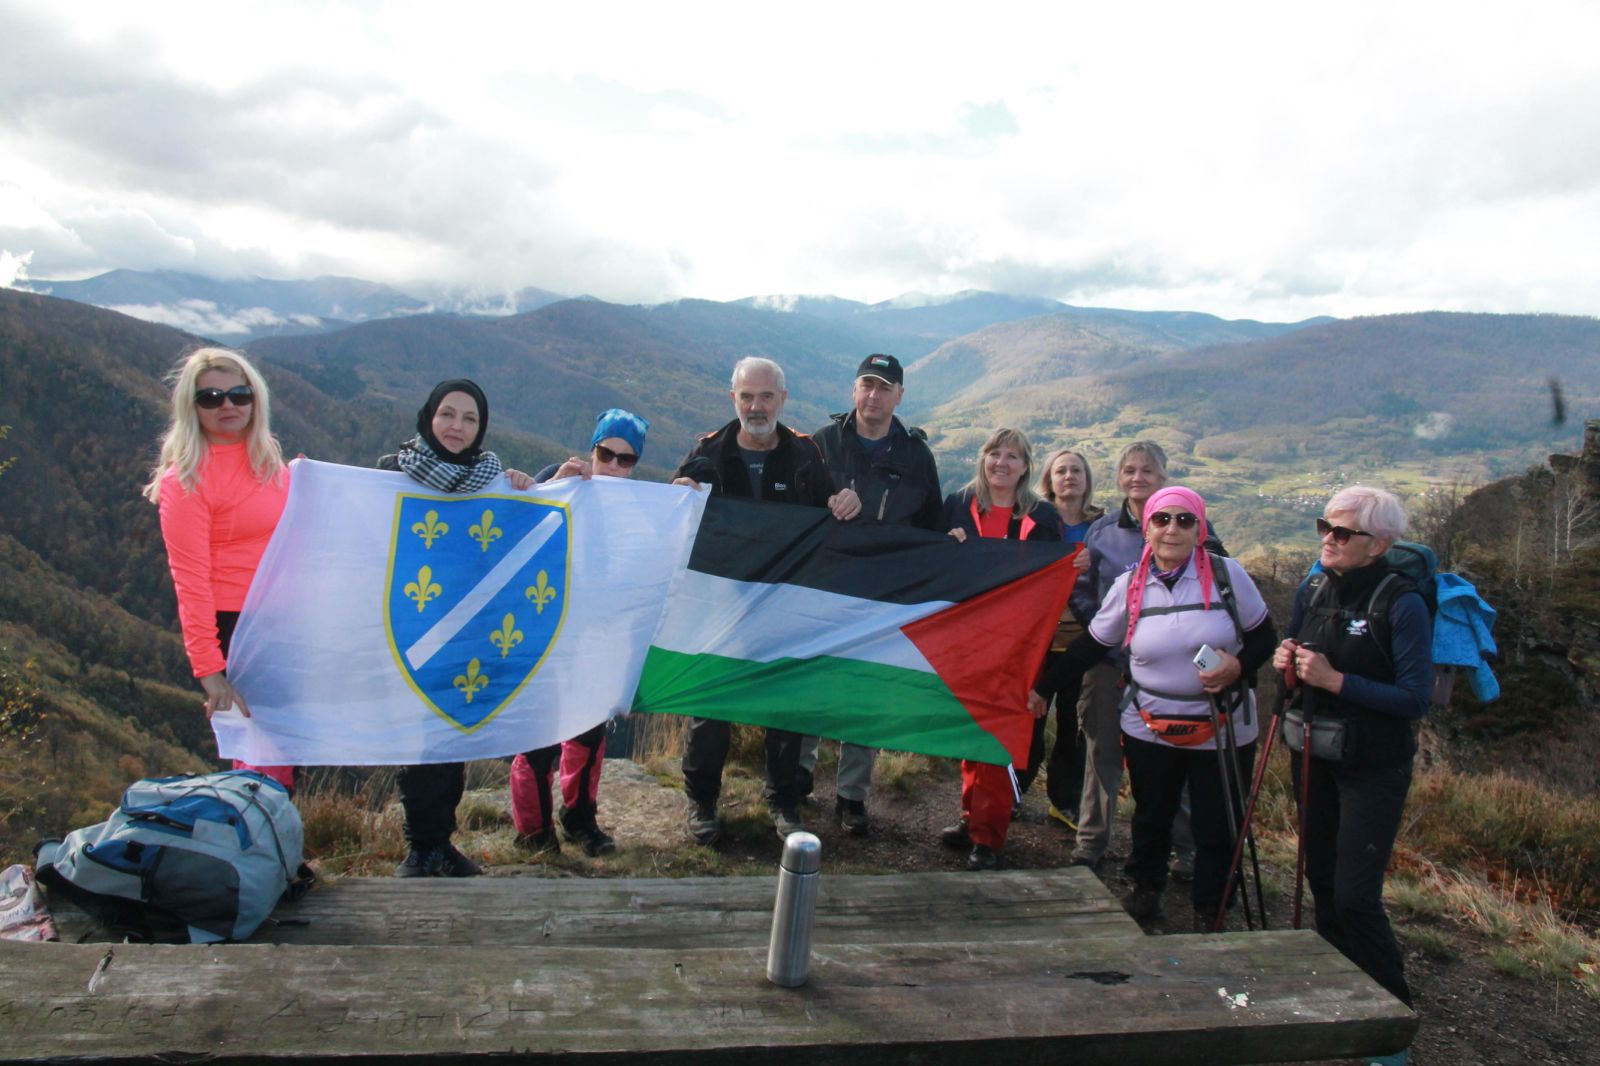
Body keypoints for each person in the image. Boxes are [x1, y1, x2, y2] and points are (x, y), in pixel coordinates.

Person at [1034, 486, 1276, 926]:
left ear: (1200, 530)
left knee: (1217, 821)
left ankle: (1211, 906)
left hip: (1222, 725)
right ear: (1146, 529)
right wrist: (1041, 689)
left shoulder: (1228, 576)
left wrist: (1237, 667)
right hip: (1150, 725)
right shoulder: (1131, 585)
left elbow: (1264, 636)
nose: (1172, 529)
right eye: (1162, 519)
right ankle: (1146, 890)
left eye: (1185, 520)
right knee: (1152, 814)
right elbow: (1092, 645)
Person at [672, 357, 859, 843]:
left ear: (783, 399)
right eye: (747, 396)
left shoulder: (804, 455)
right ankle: (702, 801)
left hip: (782, 605)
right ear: (733, 398)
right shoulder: (708, 452)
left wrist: (845, 501)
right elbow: (676, 517)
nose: (756, 406)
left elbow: (828, 507)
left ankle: (783, 801)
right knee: (711, 709)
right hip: (721, 606)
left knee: (785, 706)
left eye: (766, 396)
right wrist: (678, 493)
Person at [1273, 486, 1429, 1052]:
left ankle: (1392, 1025)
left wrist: (1336, 681)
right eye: (1325, 527)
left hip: (1373, 765)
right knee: (1322, 880)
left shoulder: (1403, 603)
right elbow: (1295, 674)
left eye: (1343, 532)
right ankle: (1344, 997)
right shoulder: (1312, 589)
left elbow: (1415, 698)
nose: (1329, 539)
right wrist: (1287, 667)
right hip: (1313, 752)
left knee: (1356, 896)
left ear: (1379, 544)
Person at [378, 378, 534, 878]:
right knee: (418, 743)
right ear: (429, 416)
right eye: (448, 414)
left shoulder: (489, 479)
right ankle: (418, 848)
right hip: (411, 629)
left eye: (470, 419)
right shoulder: (391, 475)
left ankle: (441, 843)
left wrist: (525, 486)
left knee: (452, 741)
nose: (456, 426)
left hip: (463, 632)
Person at [802, 353, 941, 835]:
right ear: (853, 389)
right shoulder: (822, 444)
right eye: (866, 384)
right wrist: (824, 503)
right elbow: (794, 508)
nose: (873, 395)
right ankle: (798, 780)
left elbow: (931, 527)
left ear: (899, 395)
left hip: (882, 595)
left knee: (865, 692)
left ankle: (852, 797)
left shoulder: (916, 456)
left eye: (884, 387)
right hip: (823, 587)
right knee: (811, 684)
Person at [144, 346, 294, 790]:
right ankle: (256, 828)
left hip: (281, 621)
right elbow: (189, 581)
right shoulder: (185, 480)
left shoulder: (268, 461)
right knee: (260, 752)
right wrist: (209, 670)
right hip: (235, 627)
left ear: (255, 399)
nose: (227, 405)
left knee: (284, 745)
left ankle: (272, 828)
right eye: (211, 398)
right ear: (191, 407)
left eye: (239, 394)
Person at [508, 408, 651, 857]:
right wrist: (551, 485)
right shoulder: (559, 481)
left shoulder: (638, 509)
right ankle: (533, 833)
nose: (613, 466)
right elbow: (518, 531)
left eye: (626, 459)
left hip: (596, 641)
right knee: (537, 739)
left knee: (587, 734)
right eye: (606, 454)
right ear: (592, 449)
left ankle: (579, 819)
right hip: (543, 638)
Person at [1069, 441, 1207, 878]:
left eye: (1147, 470)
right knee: (1101, 754)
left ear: (1163, 476)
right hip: (1109, 665)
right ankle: (1091, 844)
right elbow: (1082, 589)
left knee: (1173, 759)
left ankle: (1186, 849)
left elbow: (1214, 589)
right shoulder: (1102, 532)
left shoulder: (1189, 526)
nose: (1137, 478)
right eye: (1129, 470)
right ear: (1118, 477)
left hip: (1171, 672)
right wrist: (1106, 632)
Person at [937, 427, 1064, 871]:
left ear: (1026, 466)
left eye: (1013, 456)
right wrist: (946, 545)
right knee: (974, 729)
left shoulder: (1042, 516)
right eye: (995, 453)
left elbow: (1051, 583)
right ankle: (971, 816)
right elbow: (932, 565)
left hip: (1018, 644)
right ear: (983, 458)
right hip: (966, 639)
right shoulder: (957, 504)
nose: (1002, 463)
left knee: (1000, 735)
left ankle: (988, 837)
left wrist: (1075, 561)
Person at [1014, 448, 1104, 828]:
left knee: (1072, 727)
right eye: (1061, 471)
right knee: (1027, 721)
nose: (1069, 477)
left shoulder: (1102, 527)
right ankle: (1012, 792)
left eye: (1076, 471)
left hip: (1082, 644)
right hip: (1037, 641)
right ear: (1049, 480)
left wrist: (1093, 565)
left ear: (1087, 479)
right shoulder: (1033, 519)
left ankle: (1064, 800)